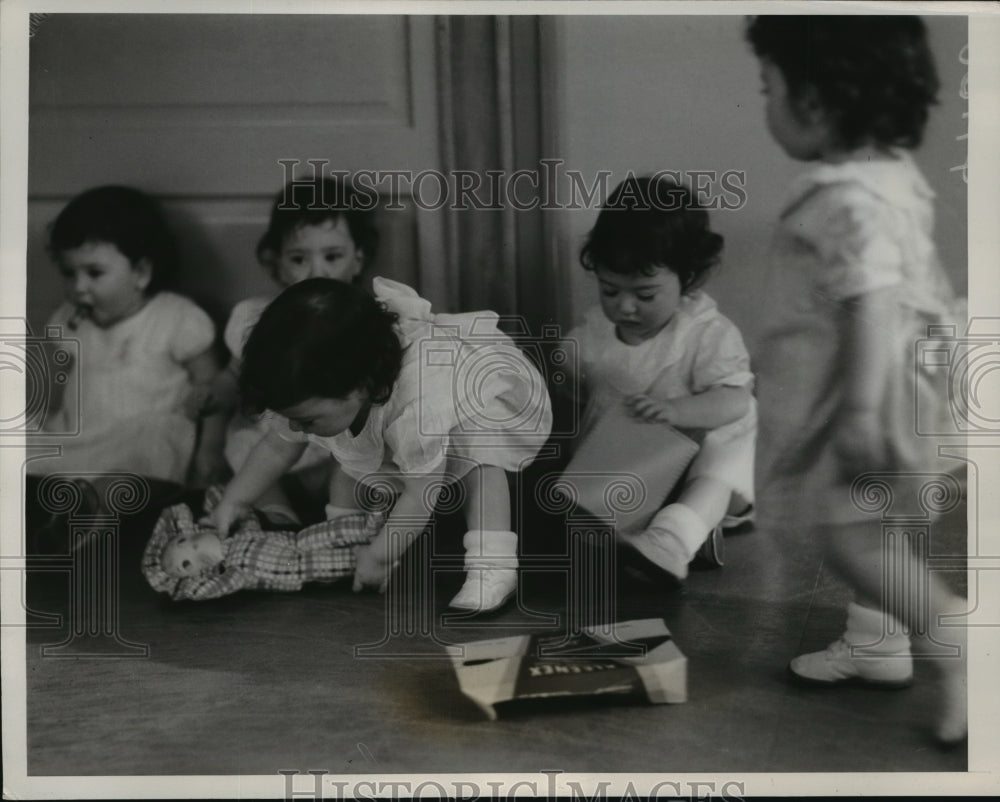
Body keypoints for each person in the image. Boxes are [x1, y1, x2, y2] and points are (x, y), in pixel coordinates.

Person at [747, 15, 968, 743]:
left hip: (863, 392)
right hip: (894, 382)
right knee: (871, 527)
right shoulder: (889, 177)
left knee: (853, 539)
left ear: (813, 101)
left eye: (767, 85)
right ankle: (879, 644)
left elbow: (872, 295)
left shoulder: (846, 198)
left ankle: (968, 649)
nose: (765, 101)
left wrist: (861, 411)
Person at [207, 277, 553, 613]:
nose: (295, 427)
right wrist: (235, 500)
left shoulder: (419, 401)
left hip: (476, 392)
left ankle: (493, 566)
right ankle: (346, 540)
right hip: (388, 404)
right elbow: (277, 447)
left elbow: (421, 495)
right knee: (347, 463)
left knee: (478, 465)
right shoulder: (319, 391)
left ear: (360, 388)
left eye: (307, 420)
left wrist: (380, 556)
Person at [565, 176, 757, 583]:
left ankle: (676, 536)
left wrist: (677, 409)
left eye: (645, 295)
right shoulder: (596, 332)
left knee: (740, 416)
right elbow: (569, 376)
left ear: (689, 279)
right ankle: (635, 539)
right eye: (609, 290)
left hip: (698, 479)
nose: (625, 306)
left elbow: (735, 400)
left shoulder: (705, 333)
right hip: (626, 480)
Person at [202, 176, 379, 525]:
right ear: (277, 263)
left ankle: (344, 519)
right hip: (275, 443)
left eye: (333, 256)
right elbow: (234, 374)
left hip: (336, 444)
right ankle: (277, 515)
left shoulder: (365, 322)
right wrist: (217, 393)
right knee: (241, 443)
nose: (317, 271)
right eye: (299, 258)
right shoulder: (255, 317)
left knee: (361, 454)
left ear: (357, 260)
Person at [30, 185, 224, 487]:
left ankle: (97, 504)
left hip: (138, 441)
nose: (79, 287)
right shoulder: (71, 320)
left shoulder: (174, 318)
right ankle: (58, 497)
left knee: (152, 442)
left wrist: (210, 447)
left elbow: (213, 390)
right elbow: (61, 387)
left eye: (94, 273)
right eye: (69, 273)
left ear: (141, 272)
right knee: (21, 438)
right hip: (83, 438)